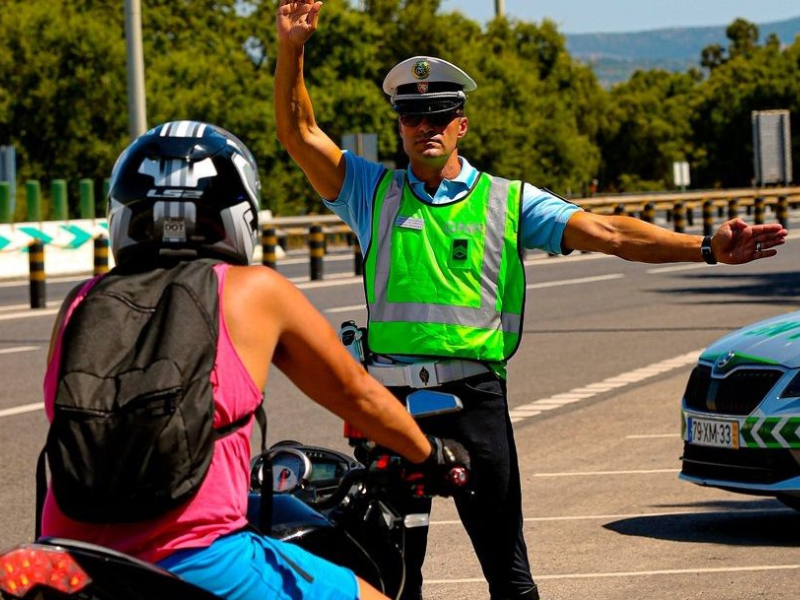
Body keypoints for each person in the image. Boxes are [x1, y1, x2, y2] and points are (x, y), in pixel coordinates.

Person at [273, 4, 789, 600]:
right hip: (390, 402)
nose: (426, 126)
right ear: (399, 126)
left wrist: (704, 248)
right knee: (390, 579)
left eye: (439, 113)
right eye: (412, 115)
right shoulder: (372, 192)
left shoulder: (507, 201)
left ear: (461, 124)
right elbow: (298, 132)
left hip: (474, 400)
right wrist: (292, 48)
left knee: (509, 578)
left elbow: (611, 233)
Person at [40, 120, 470, 600]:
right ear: (239, 212)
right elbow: (356, 394)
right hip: (196, 557)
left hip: (64, 559)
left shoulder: (81, 301)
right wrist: (431, 455)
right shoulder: (253, 290)